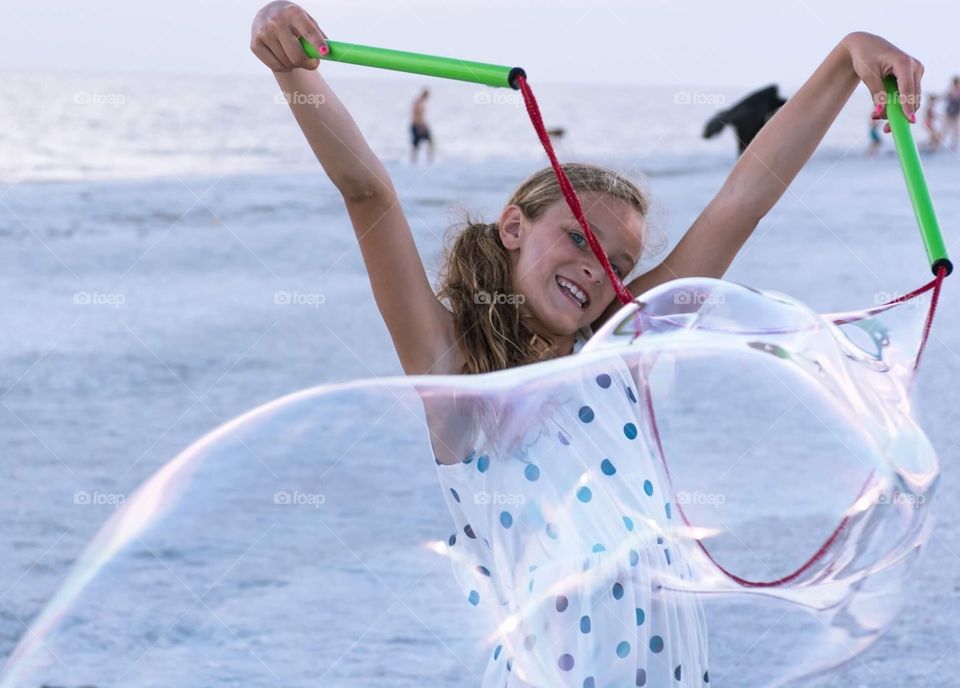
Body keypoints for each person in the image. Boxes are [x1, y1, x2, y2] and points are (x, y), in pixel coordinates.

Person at [251, 3, 925, 684]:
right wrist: (294, 71)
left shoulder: (622, 355)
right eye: (578, 237)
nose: (595, 269)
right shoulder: (456, 378)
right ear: (513, 226)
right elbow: (370, 194)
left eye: (618, 264)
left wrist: (846, 58)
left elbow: (744, 198)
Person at [411, 87, 434, 164]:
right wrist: (421, 126)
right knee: (419, 144)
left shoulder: (418, 101)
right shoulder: (419, 103)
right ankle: (427, 160)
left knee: (416, 145)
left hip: (418, 125)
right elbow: (417, 116)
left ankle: (416, 161)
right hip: (418, 125)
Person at [942, 76, 960, 152]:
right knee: (945, 130)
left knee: (955, 131)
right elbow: (944, 97)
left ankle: (953, 146)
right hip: (949, 113)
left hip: (956, 114)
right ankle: (940, 145)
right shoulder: (950, 90)